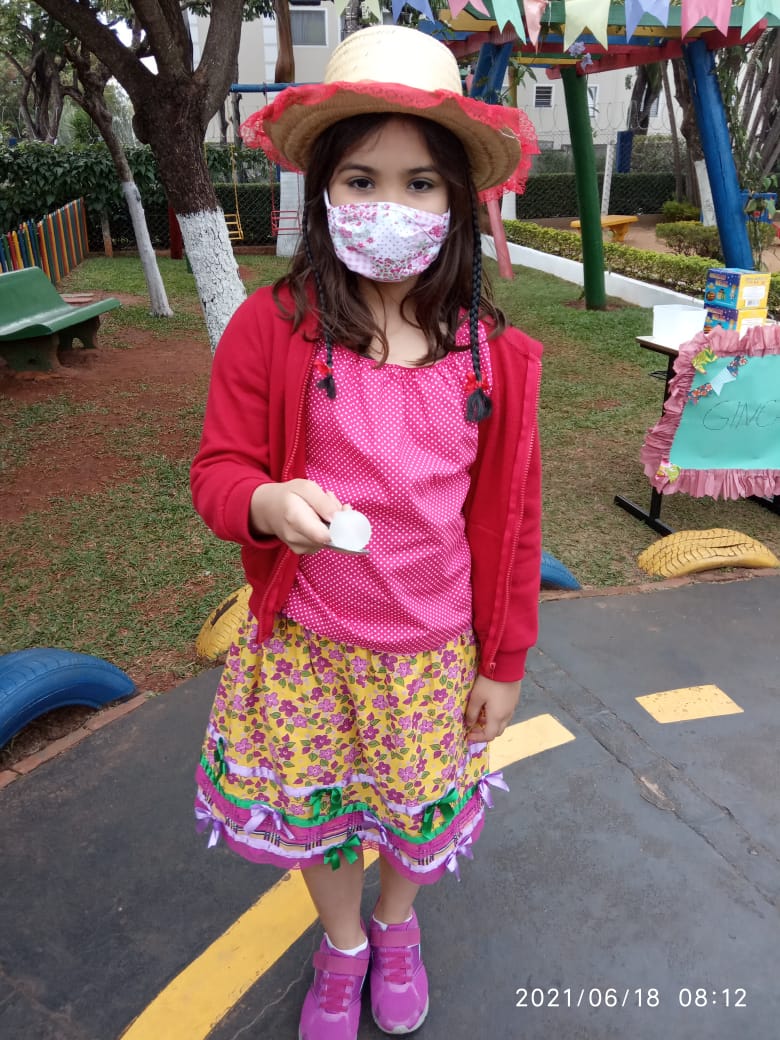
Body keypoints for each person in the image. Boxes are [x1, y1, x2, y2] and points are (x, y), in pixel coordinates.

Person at [191, 24, 542, 1040]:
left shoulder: (495, 356)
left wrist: (505, 660)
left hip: (432, 656)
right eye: (361, 179)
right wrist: (265, 503)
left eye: (420, 183)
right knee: (322, 814)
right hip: (306, 647)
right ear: (323, 193)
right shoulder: (271, 328)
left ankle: (397, 926)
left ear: (457, 200)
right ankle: (342, 944)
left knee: (408, 813)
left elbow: (514, 522)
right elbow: (218, 472)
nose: (390, 205)